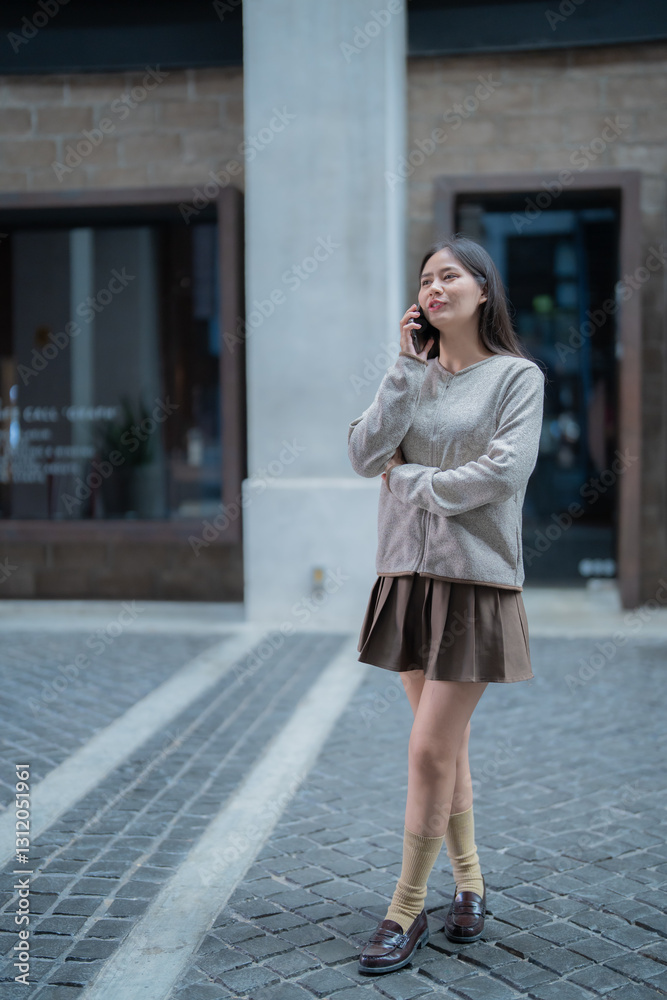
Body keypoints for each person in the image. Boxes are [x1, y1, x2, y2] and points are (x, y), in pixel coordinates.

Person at [347, 234, 546, 975]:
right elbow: (364, 453)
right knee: (445, 749)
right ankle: (468, 885)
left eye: (449, 276)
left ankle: (404, 911)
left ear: (482, 290)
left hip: (474, 583)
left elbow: (501, 471)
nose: (433, 288)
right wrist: (402, 368)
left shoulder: (515, 378)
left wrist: (411, 486)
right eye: (425, 279)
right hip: (404, 578)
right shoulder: (412, 374)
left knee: (428, 747)